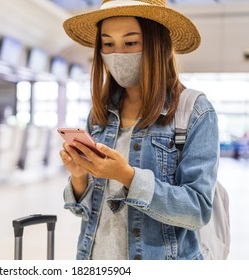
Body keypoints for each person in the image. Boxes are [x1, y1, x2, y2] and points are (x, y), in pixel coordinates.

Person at [59, 0, 219, 260]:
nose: (117, 54)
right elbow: (87, 211)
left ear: (159, 46)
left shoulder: (195, 111)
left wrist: (128, 177)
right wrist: (79, 177)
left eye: (130, 43)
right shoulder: (100, 114)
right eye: (108, 44)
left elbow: (197, 209)